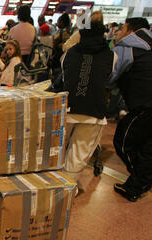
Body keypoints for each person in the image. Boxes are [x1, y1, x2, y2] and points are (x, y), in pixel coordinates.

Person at [61, 21, 116, 195]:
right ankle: (66, 189)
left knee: (59, 148)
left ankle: (52, 184)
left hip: (67, 109)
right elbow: (108, 78)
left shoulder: (69, 53)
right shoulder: (111, 56)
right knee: (79, 152)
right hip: (94, 111)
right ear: (103, 35)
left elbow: (65, 75)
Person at [109, 18, 152, 202]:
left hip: (144, 105)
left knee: (123, 140)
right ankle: (135, 185)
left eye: (122, 28)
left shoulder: (128, 48)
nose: (119, 32)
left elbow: (110, 75)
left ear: (130, 30)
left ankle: (141, 178)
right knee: (148, 147)